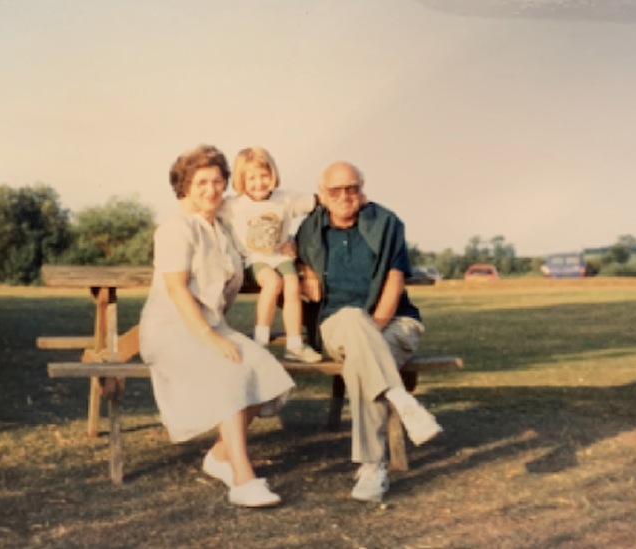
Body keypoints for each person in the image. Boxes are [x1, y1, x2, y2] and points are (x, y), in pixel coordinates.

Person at [138, 145, 295, 508]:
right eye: (202, 182)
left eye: (218, 181)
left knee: (268, 375)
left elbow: (258, 248)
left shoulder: (222, 229)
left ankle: (220, 457)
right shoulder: (175, 230)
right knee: (230, 374)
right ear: (185, 188)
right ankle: (243, 479)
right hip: (172, 330)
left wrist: (285, 246)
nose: (212, 189)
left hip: (212, 325)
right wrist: (208, 337)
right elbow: (177, 289)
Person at [295, 161, 443, 502]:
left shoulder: (387, 223)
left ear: (363, 189)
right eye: (336, 190)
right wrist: (302, 266)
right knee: (349, 318)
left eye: (353, 188)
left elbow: (393, 283)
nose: (346, 196)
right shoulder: (309, 229)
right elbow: (279, 255)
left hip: (392, 322)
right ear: (322, 195)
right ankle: (402, 401)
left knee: (362, 364)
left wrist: (370, 331)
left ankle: (372, 467)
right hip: (337, 327)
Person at [218, 146, 322, 363]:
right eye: (251, 178)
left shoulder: (285, 199)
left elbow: (318, 201)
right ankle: (261, 339)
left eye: (264, 175)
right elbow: (203, 209)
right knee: (273, 283)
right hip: (254, 259)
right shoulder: (233, 205)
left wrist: (298, 244)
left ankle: (294, 344)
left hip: (281, 256)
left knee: (293, 284)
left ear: (273, 174)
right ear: (241, 180)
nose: (259, 183)